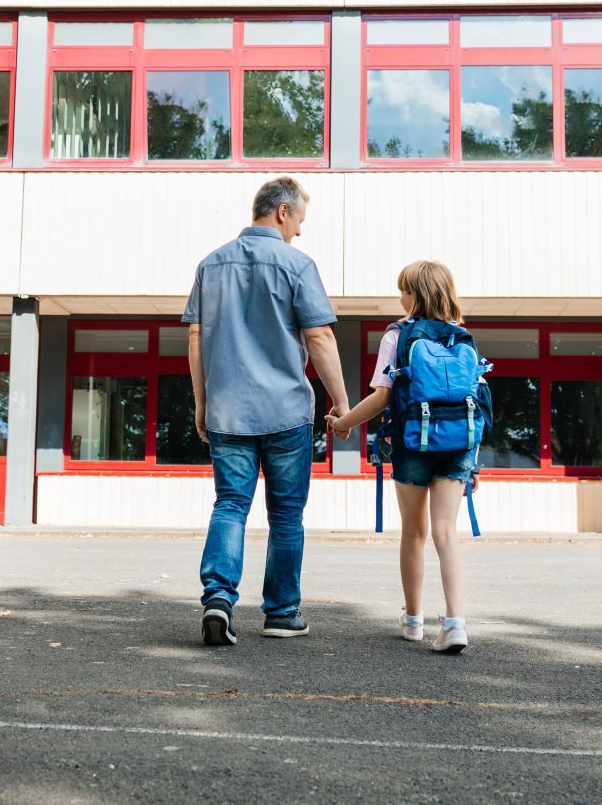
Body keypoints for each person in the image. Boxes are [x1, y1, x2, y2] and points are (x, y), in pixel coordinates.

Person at [184, 176, 348, 646]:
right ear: (282, 212)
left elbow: (195, 339)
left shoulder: (210, 265)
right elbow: (319, 337)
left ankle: (218, 599)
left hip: (228, 411)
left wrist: (202, 402)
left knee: (230, 505)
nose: (299, 230)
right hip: (286, 413)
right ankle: (281, 613)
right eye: (299, 220)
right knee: (286, 515)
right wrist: (342, 403)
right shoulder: (297, 264)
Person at [327, 261, 478, 654]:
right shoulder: (464, 338)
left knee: (414, 531)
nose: (400, 297)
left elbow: (382, 396)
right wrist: (472, 461)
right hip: (459, 444)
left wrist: (344, 422)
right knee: (446, 532)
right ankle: (455, 624)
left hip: (413, 442)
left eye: (403, 290)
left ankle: (413, 620)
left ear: (416, 294)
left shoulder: (398, 334)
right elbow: (474, 402)